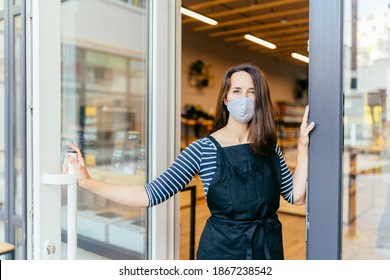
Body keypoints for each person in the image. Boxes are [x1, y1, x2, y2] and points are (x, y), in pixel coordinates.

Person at [64, 63, 315, 260]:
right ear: (225, 99)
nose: (245, 99)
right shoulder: (203, 149)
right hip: (222, 256)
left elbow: (297, 197)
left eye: (252, 92)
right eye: (237, 91)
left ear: (259, 99)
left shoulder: (269, 146)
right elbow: (149, 195)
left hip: (268, 251)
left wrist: (303, 146)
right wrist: (88, 182)